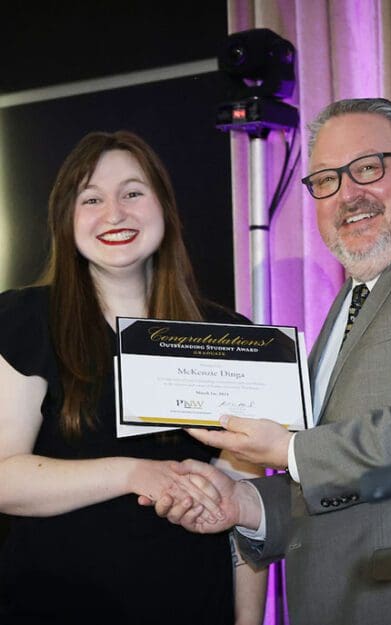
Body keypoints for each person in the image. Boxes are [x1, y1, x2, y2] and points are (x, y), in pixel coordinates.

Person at [154, 98, 391, 625]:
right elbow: (358, 478)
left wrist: (290, 448)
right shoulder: (352, 299)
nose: (348, 195)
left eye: (367, 168)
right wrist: (245, 504)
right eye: (325, 180)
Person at [0, 130, 267, 625]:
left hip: (195, 606)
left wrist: (249, 621)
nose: (115, 213)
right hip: (54, 606)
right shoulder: (24, 319)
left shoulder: (229, 335)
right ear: (66, 219)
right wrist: (134, 472)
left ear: (163, 205)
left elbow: (248, 504)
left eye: (132, 192)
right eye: (92, 198)